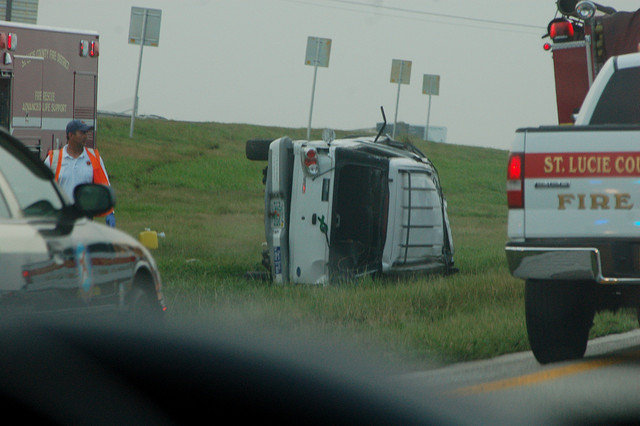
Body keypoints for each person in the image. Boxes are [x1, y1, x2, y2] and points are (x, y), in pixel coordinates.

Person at [44, 120, 116, 227]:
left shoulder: (94, 158)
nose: (85, 136)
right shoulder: (53, 159)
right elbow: (42, 188)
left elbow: (104, 186)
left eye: (86, 133)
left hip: (85, 219)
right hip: (60, 218)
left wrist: (110, 213)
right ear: (71, 135)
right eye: (82, 133)